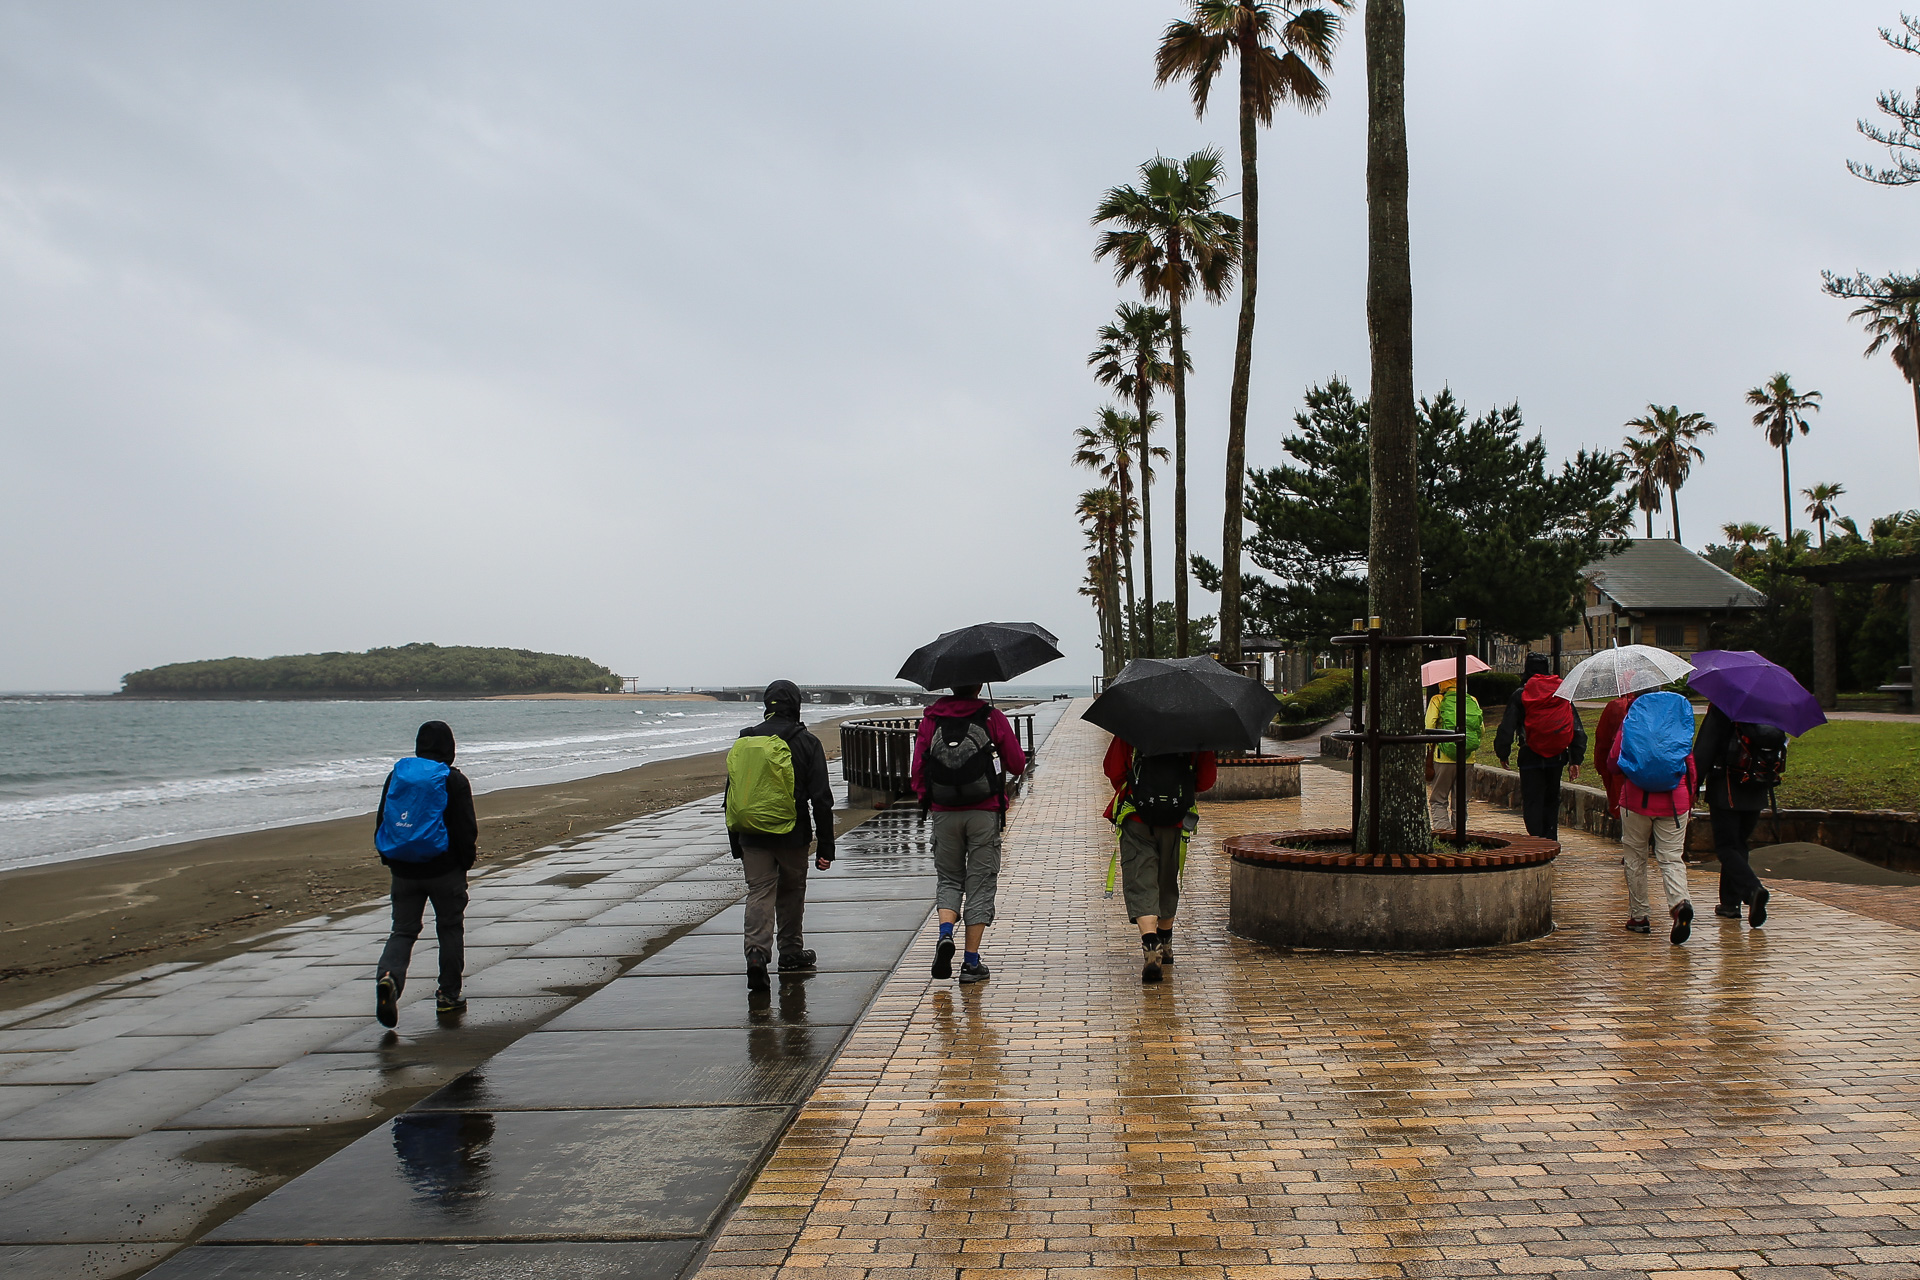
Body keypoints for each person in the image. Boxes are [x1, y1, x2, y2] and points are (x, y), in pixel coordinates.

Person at [911, 684, 1027, 984]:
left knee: (949, 879)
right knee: (980, 882)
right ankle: (971, 963)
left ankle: (946, 933)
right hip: (983, 811)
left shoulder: (931, 719)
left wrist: (930, 801)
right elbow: (1016, 763)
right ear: (978, 685)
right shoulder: (991, 717)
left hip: (943, 811)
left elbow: (917, 771)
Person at [725, 680, 834, 992]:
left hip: (751, 834)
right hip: (792, 833)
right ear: (796, 705)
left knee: (759, 892)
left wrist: (735, 839)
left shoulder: (746, 741)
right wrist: (826, 844)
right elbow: (822, 799)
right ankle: (789, 951)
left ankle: (757, 954)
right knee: (791, 892)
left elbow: (732, 794)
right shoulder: (806, 742)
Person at [373, 720, 479, 1027]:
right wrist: (465, 863)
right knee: (449, 929)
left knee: (403, 930)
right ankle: (449, 996)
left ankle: (389, 979)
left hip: (404, 869)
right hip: (445, 870)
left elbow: (385, 819)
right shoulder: (453, 780)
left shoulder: (398, 776)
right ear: (450, 748)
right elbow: (465, 829)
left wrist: (390, 858)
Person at [1102, 737, 1217, 984]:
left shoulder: (1132, 725)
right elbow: (1206, 780)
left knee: (1141, 879)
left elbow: (1113, 771)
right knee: (1167, 879)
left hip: (1136, 817)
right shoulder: (1194, 728)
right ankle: (1166, 942)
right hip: (1175, 819)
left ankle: (1150, 942)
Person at [1605, 689, 1698, 944]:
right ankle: (1679, 904)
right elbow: (1689, 764)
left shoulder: (1631, 720)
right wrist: (1689, 798)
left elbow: (1613, 762)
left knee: (1635, 858)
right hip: (1674, 801)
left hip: (1636, 801)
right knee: (1671, 858)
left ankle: (1639, 916)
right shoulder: (1679, 720)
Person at [1694, 704, 1781, 928]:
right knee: (1739, 844)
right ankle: (1730, 904)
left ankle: (1753, 889)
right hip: (1758, 785)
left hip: (1727, 788)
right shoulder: (1768, 707)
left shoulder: (1723, 706)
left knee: (1726, 847)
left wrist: (1694, 784)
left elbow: (1705, 747)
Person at [1494, 653, 1585, 839]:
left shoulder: (1521, 694)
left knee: (1532, 799)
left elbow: (1507, 727)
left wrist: (1503, 752)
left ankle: (1536, 839)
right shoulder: (1561, 692)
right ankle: (1550, 838)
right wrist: (1576, 759)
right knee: (1552, 799)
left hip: (1530, 755)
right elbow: (1575, 726)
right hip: (1557, 756)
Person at [1423, 676, 1482, 827]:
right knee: (1461, 802)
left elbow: (1429, 725)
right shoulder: (1472, 700)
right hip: (1467, 758)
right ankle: (1459, 837)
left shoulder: (1438, 700)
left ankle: (1444, 836)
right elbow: (1481, 729)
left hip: (1443, 758)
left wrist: (1430, 748)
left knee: (1438, 799)